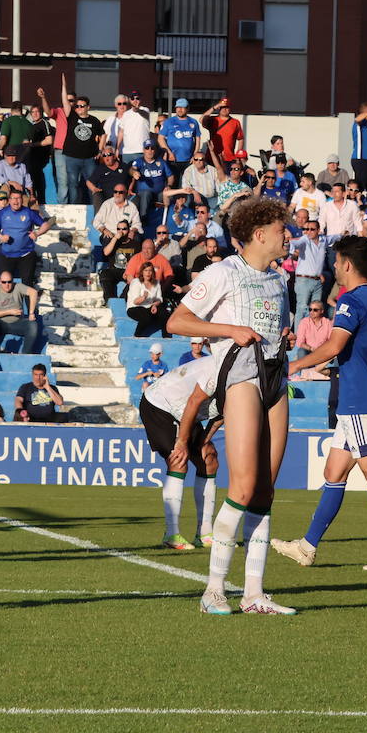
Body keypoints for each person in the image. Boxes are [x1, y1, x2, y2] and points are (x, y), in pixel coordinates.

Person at [166, 197, 294, 616]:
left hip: (276, 378)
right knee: (240, 486)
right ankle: (213, 590)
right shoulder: (222, 272)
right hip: (240, 378)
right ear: (259, 235)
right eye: (281, 230)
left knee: (263, 492)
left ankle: (254, 594)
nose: (287, 235)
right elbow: (177, 322)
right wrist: (229, 330)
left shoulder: (280, 281)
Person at [274, 234, 367, 573]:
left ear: (348, 264)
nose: (335, 267)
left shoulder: (352, 301)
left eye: (338, 262)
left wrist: (294, 365)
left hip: (358, 398)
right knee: (334, 472)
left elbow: (335, 346)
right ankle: (307, 547)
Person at [138, 352, 224, 550]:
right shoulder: (221, 369)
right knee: (178, 458)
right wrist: (183, 441)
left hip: (185, 410)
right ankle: (172, 534)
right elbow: (194, 401)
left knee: (208, 457)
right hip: (161, 404)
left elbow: (223, 413)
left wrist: (204, 441)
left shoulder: (249, 378)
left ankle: (205, 533)